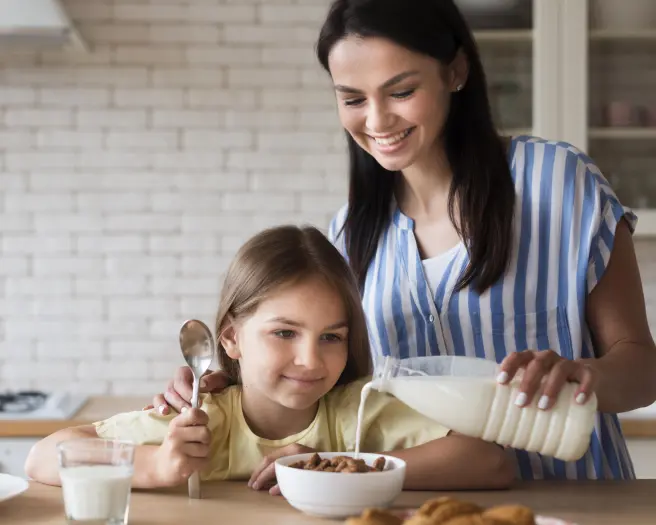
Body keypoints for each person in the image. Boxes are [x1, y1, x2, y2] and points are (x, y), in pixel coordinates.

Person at [152, 0, 656, 481]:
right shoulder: (350, 236)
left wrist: (581, 375)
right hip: (421, 505)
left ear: (456, 72)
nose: (376, 121)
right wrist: (229, 388)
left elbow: (641, 368)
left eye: (400, 92)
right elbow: (334, 391)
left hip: (581, 502)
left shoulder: (556, 182)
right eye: (352, 99)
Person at [25, 225, 514, 493]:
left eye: (331, 337)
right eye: (284, 332)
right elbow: (41, 455)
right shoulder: (204, 419)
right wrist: (160, 467)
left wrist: (339, 465)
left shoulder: (355, 412)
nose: (310, 360)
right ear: (232, 338)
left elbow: (492, 464)